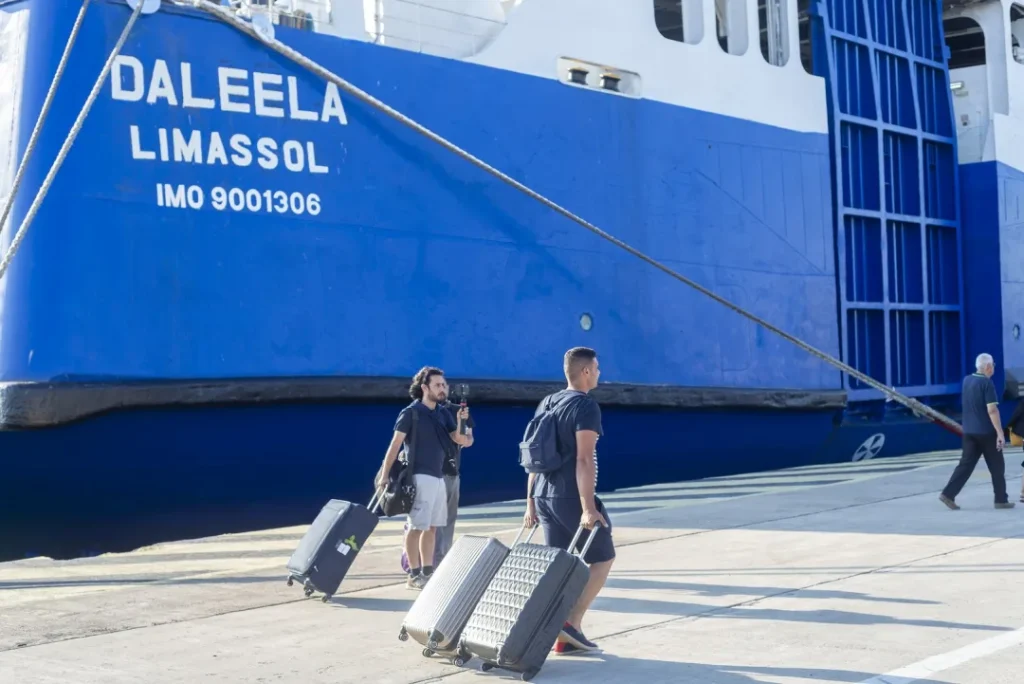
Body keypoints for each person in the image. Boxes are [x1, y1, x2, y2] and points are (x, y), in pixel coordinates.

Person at [523, 346, 614, 655]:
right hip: (569, 496)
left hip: (543, 495)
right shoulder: (585, 406)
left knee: (559, 567)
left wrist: (530, 502)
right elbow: (584, 459)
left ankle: (562, 638)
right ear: (586, 371)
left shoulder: (547, 402)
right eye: (597, 368)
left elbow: (534, 457)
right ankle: (570, 624)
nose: (599, 373)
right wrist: (588, 508)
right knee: (603, 558)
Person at [377, 366, 471, 589]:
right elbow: (395, 444)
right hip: (418, 477)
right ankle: (413, 574)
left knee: (432, 527)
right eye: (437, 385)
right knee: (416, 527)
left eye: (444, 385)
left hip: (438, 477)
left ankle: (427, 572)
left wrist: (461, 421)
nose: (443, 389)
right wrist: (384, 475)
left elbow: (460, 440)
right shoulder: (411, 413)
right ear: (424, 388)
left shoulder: (443, 413)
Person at [939, 353, 1015, 510]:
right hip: (986, 433)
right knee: (997, 466)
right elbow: (992, 410)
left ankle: (948, 494)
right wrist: (1000, 433)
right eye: (993, 365)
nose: (994, 368)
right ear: (988, 367)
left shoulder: (967, 380)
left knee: (965, 465)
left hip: (969, 432)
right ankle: (1001, 500)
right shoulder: (987, 383)